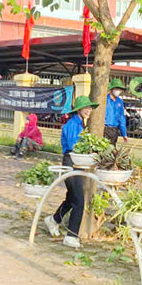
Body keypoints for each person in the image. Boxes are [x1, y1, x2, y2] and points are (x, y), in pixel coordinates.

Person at [44, 95, 97, 249]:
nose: (89, 111)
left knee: (72, 198)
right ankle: (71, 236)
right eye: (86, 108)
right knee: (80, 201)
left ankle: (53, 220)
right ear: (78, 109)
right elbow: (75, 148)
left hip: (77, 162)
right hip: (72, 161)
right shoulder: (73, 124)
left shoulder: (79, 123)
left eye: (90, 108)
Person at [103, 79, 128, 145]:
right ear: (112, 88)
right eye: (117, 88)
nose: (118, 91)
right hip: (105, 128)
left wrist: (124, 133)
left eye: (120, 89)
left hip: (114, 130)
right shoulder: (104, 100)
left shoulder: (120, 102)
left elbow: (121, 118)